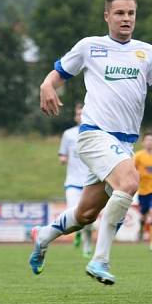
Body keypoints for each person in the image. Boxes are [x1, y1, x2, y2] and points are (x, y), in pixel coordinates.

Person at [31, 0, 152, 285]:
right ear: (107, 16)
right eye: (120, 13)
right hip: (94, 135)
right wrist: (46, 84)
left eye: (130, 13)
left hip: (123, 143)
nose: (126, 19)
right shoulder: (90, 46)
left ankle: (44, 234)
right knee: (130, 182)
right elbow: (58, 73)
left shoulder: (146, 52)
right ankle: (100, 260)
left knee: (85, 214)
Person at [58, 103, 94, 258]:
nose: (80, 116)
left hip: (89, 182)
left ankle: (87, 243)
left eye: (83, 113)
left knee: (89, 218)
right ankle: (77, 233)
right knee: (73, 211)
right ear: (75, 116)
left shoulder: (95, 133)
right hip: (73, 182)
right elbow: (62, 154)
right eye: (78, 113)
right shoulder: (68, 134)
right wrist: (63, 159)